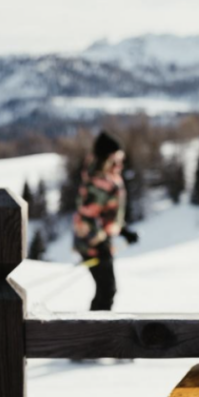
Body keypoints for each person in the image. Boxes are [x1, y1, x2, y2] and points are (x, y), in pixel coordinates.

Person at [72, 131, 139, 310]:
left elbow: (106, 213)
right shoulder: (99, 181)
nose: (121, 160)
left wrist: (123, 230)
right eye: (117, 156)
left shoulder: (107, 177)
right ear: (109, 156)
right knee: (107, 290)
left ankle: (96, 330)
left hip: (97, 240)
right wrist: (99, 243)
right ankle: (96, 332)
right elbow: (87, 216)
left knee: (106, 290)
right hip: (91, 243)